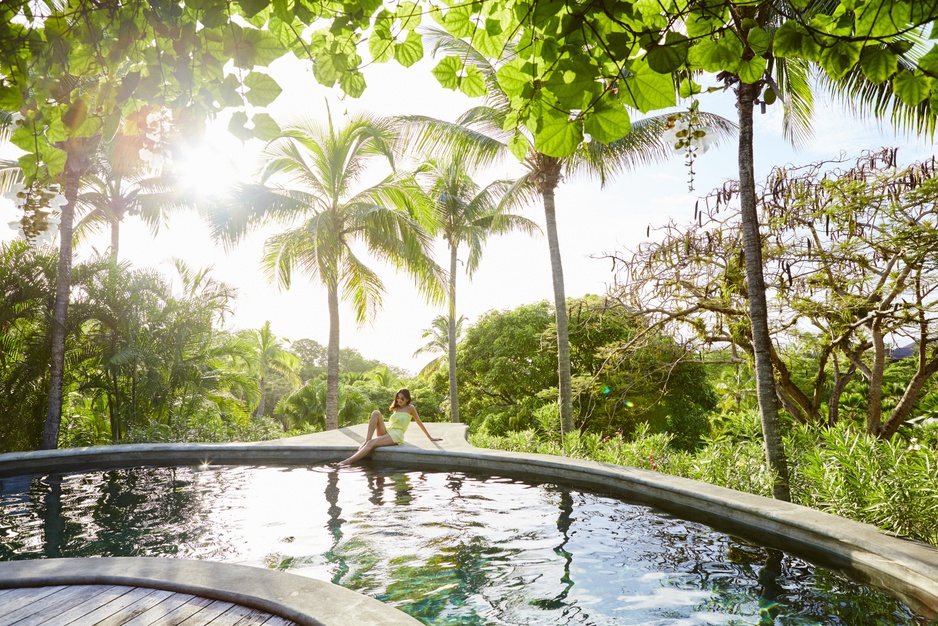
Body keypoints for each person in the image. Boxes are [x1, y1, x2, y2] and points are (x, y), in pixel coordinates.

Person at [338, 388, 441, 465]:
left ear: (407, 399)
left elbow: (419, 422)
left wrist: (429, 437)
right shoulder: (396, 408)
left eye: (402, 399)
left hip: (397, 435)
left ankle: (347, 462)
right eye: (398, 398)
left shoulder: (410, 408)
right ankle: (367, 440)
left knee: (372, 443)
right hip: (388, 431)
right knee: (376, 413)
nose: (399, 401)